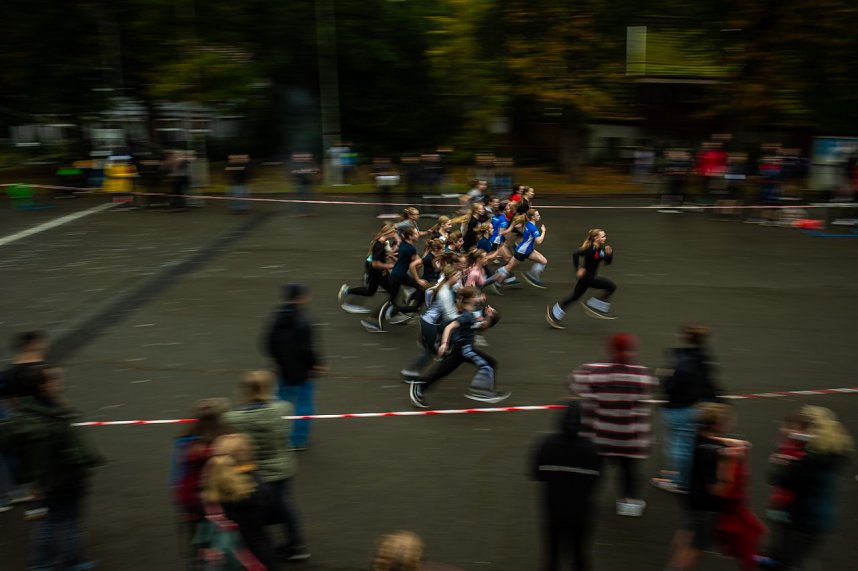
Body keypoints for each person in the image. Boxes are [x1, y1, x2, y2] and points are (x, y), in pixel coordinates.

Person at [2, 367, 104, 571]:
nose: (57, 384)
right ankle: (57, 563)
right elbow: (68, 443)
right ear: (42, 387)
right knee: (62, 521)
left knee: (57, 520)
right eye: (52, 381)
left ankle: (55, 562)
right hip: (62, 478)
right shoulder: (46, 416)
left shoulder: (26, 414)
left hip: (52, 479)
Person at [224, 371, 309, 561]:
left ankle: (261, 550)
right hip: (283, 468)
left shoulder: (233, 418)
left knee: (254, 513)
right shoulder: (284, 409)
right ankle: (296, 544)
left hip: (255, 471)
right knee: (286, 505)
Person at [568, 333, 656, 517]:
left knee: (593, 472)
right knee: (629, 471)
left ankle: (584, 501)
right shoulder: (642, 375)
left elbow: (573, 384)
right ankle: (630, 504)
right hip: (629, 439)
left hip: (600, 437)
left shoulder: (593, 372)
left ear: (610, 349)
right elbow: (650, 390)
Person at [765, 405, 853, 570]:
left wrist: (783, 462)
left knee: (791, 561)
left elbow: (780, 479)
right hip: (822, 515)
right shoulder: (834, 452)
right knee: (802, 558)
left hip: (803, 516)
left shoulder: (811, 460)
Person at [666, 403, 749, 571]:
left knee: (685, 534)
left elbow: (714, 441)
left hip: (692, 499)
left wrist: (732, 443)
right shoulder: (718, 455)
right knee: (696, 548)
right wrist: (731, 466)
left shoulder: (699, 439)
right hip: (707, 507)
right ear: (719, 424)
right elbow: (717, 489)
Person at [405, 287, 509, 407]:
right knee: (490, 364)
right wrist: (444, 344)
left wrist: (490, 316)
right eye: (475, 296)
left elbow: (483, 327)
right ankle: (481, 391)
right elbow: (450, 327)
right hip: (465, 349)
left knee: (442, 371)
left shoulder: (475, 311)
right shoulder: (467, 315)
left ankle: (420, 387)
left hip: (460, 349)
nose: (478, 297)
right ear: (469, 300)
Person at [531, 401, 602, 571]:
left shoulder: (546, 445)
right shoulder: (592, 450)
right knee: (579, 554)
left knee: (552, 555)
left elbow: (538, 475)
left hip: (553, 509)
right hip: (581, 511)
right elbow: (596, 482)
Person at [651, 325, 723, 493]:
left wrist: (664, 376)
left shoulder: (683, 361)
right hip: (697, 406)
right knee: (687, 443)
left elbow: (672, 384)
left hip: (680, 407)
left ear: (686, 337)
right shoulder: (703, 357)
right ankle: (680, 474)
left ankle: (679, 481)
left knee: (678, 446)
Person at [201, 435, 279, 570]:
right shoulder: (258, 487)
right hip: (258, 553)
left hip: (223, 554)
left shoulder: (211, 486)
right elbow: (275, 515)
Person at [264, 283, 325, 451]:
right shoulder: (304, 321)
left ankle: (277, 433)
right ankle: (298, 439)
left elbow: (268, 342)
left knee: (280, 401)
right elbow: (307, 349)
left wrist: (278, 360)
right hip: (302, 371)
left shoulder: (277, 316)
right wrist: (316, 365)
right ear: (301, 298)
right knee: (304, 404)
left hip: (283, 369)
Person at [170, 398, 232, 540]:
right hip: (222, 495)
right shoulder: (227, 439)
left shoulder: (184, 441)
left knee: (196, 535)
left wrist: (179, 501)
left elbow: (178, 473)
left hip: (192, 497)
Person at [546, 228, 614, 328]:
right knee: (611, 286)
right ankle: (594, 305)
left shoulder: (599, 249)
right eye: (603, 236)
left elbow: (607, 262)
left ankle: (553, 314)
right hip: (588, 278)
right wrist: (578, 268)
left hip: (586, 279)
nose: (605, 238)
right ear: (596, 238)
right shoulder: (589, 249)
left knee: (574, 296)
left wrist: (609, 255)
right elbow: (575, 254)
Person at [491, 208, 548, 289]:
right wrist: (543, 231)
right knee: (509, 267)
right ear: (533, 217)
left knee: (543, 261)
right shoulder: (533, 228)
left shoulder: (527, 223)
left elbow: (518, 226)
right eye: (537, 215)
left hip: (527, 250)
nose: (539, 216)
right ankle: (496, 281)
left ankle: (532, 276)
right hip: (522, 252)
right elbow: (539, 241)